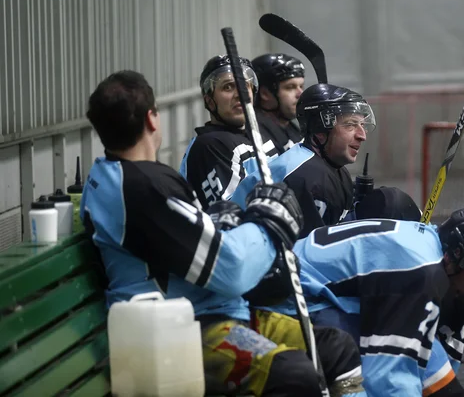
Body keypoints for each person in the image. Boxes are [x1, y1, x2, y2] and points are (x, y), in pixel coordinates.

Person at [81, 70, 366, 397]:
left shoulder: (116, 175)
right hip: (188, 327)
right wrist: (269, 223)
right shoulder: (139, 187)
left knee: (334, 346)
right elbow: (232, 270)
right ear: (152, 119)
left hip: (212, 310)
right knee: (293, 373)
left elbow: (181, 236)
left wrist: (218, 220)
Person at [262, 204, 464, 396]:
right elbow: (388, 377)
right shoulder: (421, 274)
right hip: (287, 300)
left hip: (306, 289)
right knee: (359, 371)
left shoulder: (424, 246)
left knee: (421, 352)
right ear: (460, 255)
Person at [230, 82, 375, 238]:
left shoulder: (334, 170)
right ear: (320, 129)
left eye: (362, 125)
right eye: (351, 125)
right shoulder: (307, 176)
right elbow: (309, 254)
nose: (362, 135)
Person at [178, 55, 281, 210]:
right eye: (228, 87)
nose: (239, 94)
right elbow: (231, 215)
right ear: (209, 100)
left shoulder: (260, 135)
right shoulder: (209, 146)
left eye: (244, 86)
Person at [252, 53, 305, 152]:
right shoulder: (255, 134)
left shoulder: (292, 129)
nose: (300, 94)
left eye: (301, 86)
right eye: (290, 87)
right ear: (265, 93)